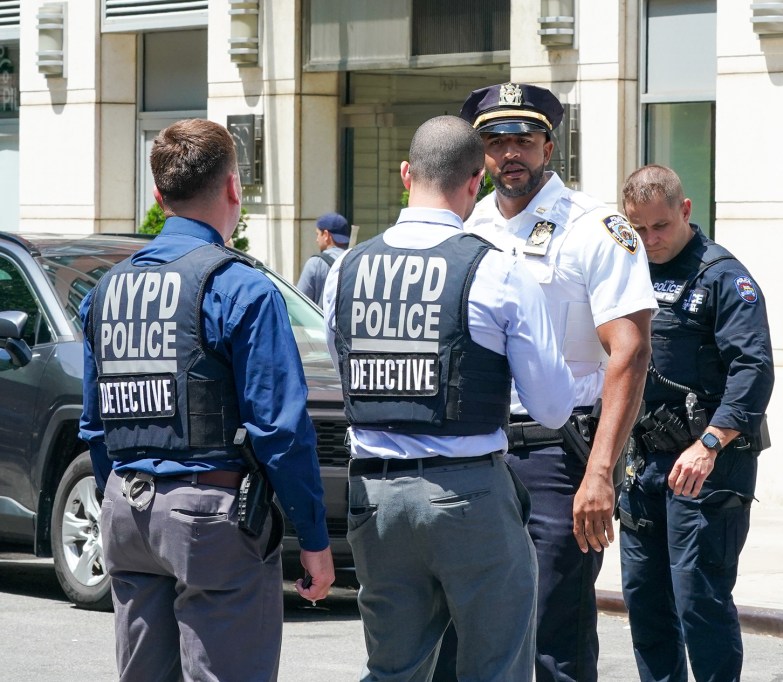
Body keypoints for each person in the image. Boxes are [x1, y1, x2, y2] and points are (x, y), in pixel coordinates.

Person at [79, 118, 335, 682]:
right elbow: (281, 430)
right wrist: (313, 538)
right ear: (233, 188)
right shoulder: (239, 285)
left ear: (158, 195)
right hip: (209, 518)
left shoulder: (106, 290)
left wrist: (115, 496)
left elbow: (94, 425)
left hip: (126, 509)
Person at [323, 114, 576, 681]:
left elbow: (346, 371)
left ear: (406, 174)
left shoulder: (347, 268)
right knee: (497, 667)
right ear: (475, 184)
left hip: (373, 495)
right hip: (467, 493)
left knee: (394, 669)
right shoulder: (499, 269)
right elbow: (553, 407)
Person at [440, 82, 656, 682]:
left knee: (555, 633)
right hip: (476, 451)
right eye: (495, 140)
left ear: (549, 145)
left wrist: (600, 472)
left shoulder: (596, 227)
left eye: (524, 139)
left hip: (558, 457)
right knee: (468, 629)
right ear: (478, 152)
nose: (511, 152)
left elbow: (630, 352)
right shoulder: (466, 227)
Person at [617, 164, 774, 682]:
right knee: (646, 603)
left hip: (708, 466)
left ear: (685, 211)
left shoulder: (724, 276)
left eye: (659, 227)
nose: (650, 239)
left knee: (698, 599)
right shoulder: (627, 270)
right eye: (637, 229)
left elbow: (753, 369)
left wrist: (711, 441)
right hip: (645, 466)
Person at [297, 212, 351, 306]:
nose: (317, 240)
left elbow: (299, 304)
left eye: (317, 234)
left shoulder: (315, 263)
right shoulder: (356, 260)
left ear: (326, 235)